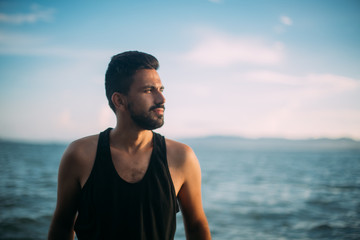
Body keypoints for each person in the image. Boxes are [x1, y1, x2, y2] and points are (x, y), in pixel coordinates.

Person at [48, 51, 211, 240]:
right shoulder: (80, 155)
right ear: (119, 100)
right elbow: (62, 225)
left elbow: (196, 226)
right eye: (149, 90)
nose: (161, 99)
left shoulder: (181, 157)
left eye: (161, 89)